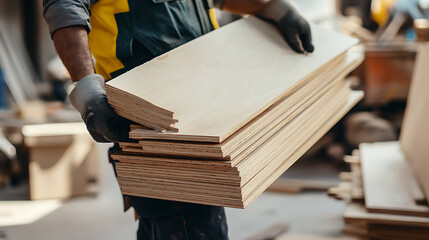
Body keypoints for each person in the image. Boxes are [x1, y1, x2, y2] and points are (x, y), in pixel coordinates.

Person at [43, 0, 314, 239]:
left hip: (204, 110)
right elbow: (64, 5)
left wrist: (271, 7)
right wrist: (87, 87)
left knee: (171, 224)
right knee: (185, 223)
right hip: (151, 123)